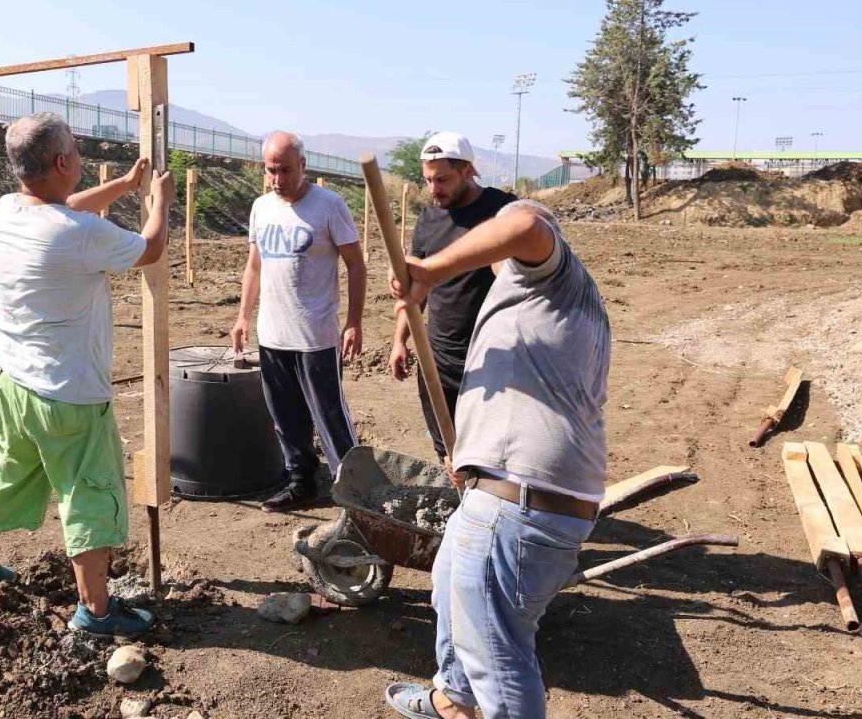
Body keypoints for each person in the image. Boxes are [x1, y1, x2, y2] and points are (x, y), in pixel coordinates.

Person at [384, 200, 611, 719]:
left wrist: (428, 270)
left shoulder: (551, 278)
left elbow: (527, 225)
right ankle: (452, 699)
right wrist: (474, 456)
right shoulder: (548, 305)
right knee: (449, 587)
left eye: (495, 234)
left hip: (519, 507)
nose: (491, 244)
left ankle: (474, 697)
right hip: (512, 492)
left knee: (500, 661)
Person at [0, 112, 175, 639]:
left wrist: (124, 185)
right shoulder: (77, 236)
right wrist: (160, 203)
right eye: (75, 150)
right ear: (62, 162)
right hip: (69, 395)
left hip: (12, 381)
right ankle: (97, 610)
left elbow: (67, 210)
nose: (79, 156)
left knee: (6, 468)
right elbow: (150, 248)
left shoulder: (6, 211)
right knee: (89, 492)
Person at [230, 131, 366, 512]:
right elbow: (254, 266)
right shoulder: (261, 208)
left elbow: (356, 264)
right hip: (273, 335)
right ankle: (301, 483)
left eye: (286, 170)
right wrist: (243, 316)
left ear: (303, 166)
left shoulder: (329, 206)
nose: (278, 179)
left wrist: (354, 321)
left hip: (316, 336)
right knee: (285, 417)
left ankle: (355, 491)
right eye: (271, 170)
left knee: (329, 415)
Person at [390, 132, 517, 462]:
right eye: (429, 180)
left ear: (467, 171)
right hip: (438, 358)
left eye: (442, 179)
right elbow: (415, 290)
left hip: (491, 356)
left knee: (490, 450)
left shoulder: (501, 209)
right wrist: (399, 341)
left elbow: (516, 273)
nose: (434, 189)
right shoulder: (429, 219)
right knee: (446, 450)